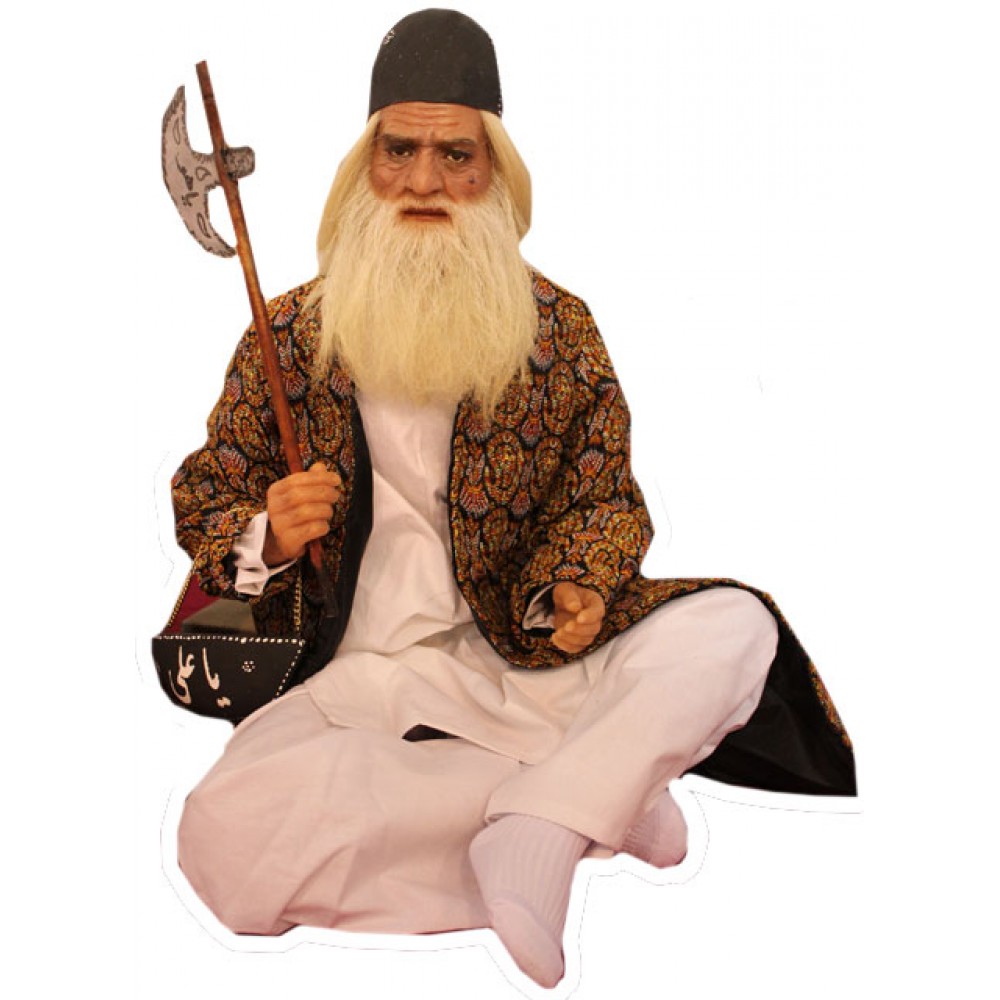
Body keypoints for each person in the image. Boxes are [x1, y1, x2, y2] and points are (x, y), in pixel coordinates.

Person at [171, 9, 855, 989]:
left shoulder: (557, 330)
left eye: (456, 156)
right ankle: (597, 793)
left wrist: (577, 584)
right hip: (357, 681)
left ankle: (546, 820)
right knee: (222, 838)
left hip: (521, 663)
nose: (423, 181)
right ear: (364, 168)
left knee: (733, 626)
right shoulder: (289, 338)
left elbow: (601, 496)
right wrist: (265, 539)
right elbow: (209, 492)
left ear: (495, 172)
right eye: (399, 151)